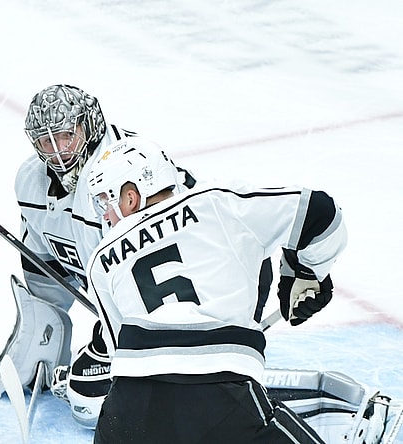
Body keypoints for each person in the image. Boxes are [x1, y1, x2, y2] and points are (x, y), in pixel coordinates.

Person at [84, 138, 345, 443]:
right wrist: (305, 272)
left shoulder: (101, 259)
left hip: (124, 417)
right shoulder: (215, 202)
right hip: (220, 400)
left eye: (105, 201)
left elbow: (121, 354)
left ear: (131, 196)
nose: (104, 214)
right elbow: (321, 211)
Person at [0, 84, 197, 427]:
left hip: (182, 304)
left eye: (67, 135)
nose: (58, 150)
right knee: (89, 398)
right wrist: (45, 327)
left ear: (89, 124)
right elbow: (46, 268)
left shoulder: (121, 169)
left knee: (92, 406)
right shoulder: (30, 182)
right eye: (45, 140)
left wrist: (116, 335)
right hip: (126, 307)